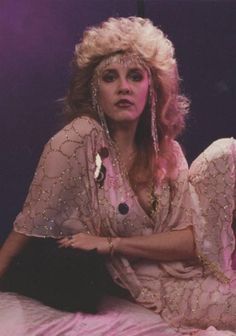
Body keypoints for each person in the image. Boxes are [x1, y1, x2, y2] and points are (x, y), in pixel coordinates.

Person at [0, 16, 235, 334]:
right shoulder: (81, 138)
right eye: (110, 77)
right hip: (160, 288)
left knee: (226, 151)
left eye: (135, 76)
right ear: (95, 90)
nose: (124, 87)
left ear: (151, 88)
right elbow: (30, 221)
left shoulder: (169, 152)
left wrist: (111, 243)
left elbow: (193, 241)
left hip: (197, 269)